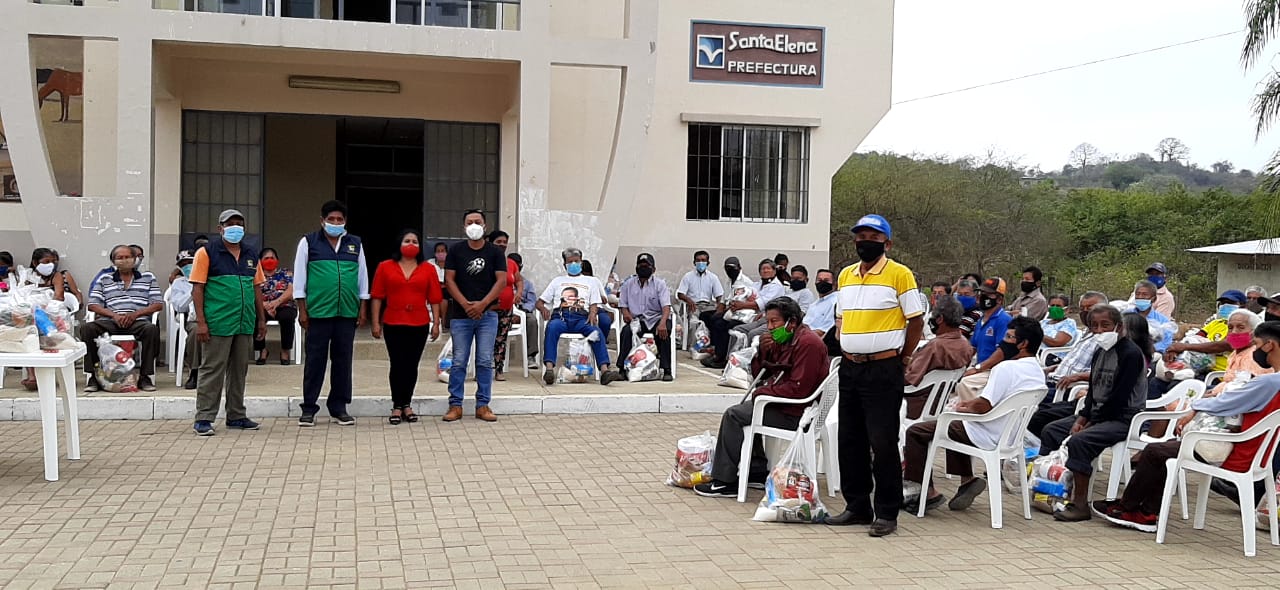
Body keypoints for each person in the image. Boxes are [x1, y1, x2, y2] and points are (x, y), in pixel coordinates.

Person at [1093, 321, 1280, 532]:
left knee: (1155, 451)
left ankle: (1129, 509)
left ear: (1269, 345)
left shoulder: (1269, 382)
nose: (1254, 349)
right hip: (1256, 453)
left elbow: (1227, 402)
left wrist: (1196, 407)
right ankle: (1144, 511)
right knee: (1164, 451)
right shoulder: (1272, 381)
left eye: (1256, 344)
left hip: (1236, 452)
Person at [828, 214, 925, 537]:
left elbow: (915, 320)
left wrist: (904, 356)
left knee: (882, 441)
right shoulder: (846, 275)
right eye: (860, 236)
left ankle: (886, 512)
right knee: (849, 439)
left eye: (873, 237)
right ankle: (857, 506)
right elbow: (840, 316)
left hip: (883, 367)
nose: (865, 242)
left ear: (887, 243)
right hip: (850, 366)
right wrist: (846, 339)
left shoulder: (899, 274)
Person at [902, 317, 1045, 513]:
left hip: (987, 432)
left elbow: (983, 406)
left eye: (1009, 338)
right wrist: (965, 407)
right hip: (1012, 435)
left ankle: (925, 492)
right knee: (952, 425)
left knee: (916, 432)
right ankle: (967, 481)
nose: (1002, 343)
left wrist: (964, 407)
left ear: (1023, 344)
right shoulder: (1037, 370)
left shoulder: (1005, 368)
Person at [693, 297, 829, 497]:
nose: (770, 327)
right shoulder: (785, 339)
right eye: (768, 322)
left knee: (734, 415)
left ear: (791, 322)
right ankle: (756, 471)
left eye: (775, 322)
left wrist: (762, 393)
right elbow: (760, 374)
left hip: (797, 411)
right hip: (782, 403)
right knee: (747, 411)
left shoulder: (808, 344)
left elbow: (799, 388)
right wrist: (763, 353)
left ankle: (724, 480)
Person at [1037, 303, 1147, 522]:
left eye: (1105, 325)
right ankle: (1048, 491)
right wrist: (1082, 417)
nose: (1099, 330)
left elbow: (1119, 397)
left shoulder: (1130, 354)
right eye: (1094, 326)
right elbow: (1093, 391)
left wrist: (1090, 423)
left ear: (1118, 327)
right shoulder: (1100, 352)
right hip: (1098, 414)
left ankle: (1080, 505)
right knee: (1051, 429)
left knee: (1080, 441)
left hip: (1124, 417)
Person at [189, 209, 267, 436]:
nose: (236, 227)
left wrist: (261, 320)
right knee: (212, 369)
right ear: (220, 228)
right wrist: (201, 322)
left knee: (239, 370)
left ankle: (236, 415)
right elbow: (197, 289)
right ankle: (204, 417)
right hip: (218, 321)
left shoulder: (251, 254)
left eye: (239, 223)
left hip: (244, 321)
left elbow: (256, 288)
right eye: (230, 223)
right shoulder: (206, 252)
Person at [294, 200, 370, 427]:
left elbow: (362, 277)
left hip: (346, 312)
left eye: (340, 219)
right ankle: (309, 408)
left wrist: (362, 308)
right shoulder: (308, 242)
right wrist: (302, 310)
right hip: (318, 313)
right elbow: (299, 278)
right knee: (315, 361)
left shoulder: (355, 244)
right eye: (331, 219)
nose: (335, 223)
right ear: (322, 221)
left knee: (343, 361)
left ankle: (339, 407)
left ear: (345, 222)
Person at [371, 229, 444, 425]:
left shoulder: (428, 269)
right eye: (407, 241)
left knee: (412, 365)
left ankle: (407, 404)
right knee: (397, 364)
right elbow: (377, 296)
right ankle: (397, 405)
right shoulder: (385, 267)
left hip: (419, 323)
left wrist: (436, 323)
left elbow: (435, 298)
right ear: (399, 244)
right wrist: (375, 322)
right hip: (393, 322)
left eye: (415, 241)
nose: (411, 244)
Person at [442, 210, 507, 421]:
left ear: (485, 226)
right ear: (464, 227)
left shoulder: (495, 252)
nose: (473, 225)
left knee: (484, 361)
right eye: (469, 222)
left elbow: (502, 281)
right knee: (459, 361)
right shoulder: (456, 250)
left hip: (487, 316)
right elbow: (449, 280)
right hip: (461, 316)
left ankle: (483, 405)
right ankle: (455, 405)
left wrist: (482, 304)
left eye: (477, 222)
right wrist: (465, 304)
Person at [81, 245, 164, 392]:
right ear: (113, 261)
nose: (124, 260)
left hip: (137, 321)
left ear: (134, 259)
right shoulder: (104, 279)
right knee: (88, 329)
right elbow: (93, 305)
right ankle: (93, 376)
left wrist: (135, 315)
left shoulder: (148, 278)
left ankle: (145, 376)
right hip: (111, 321)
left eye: (128, 257)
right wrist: (114, 316)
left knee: (151, 330)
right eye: (120, 258)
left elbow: (157, 304)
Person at [1027, 292, 1107, 438]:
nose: (1085, 312)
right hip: (1054, 377)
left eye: (1090, 308)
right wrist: (1054, 368)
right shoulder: (1087, 332)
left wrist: (1077, 376)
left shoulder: (1106, 339)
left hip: (1067, 387)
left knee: (1028, 407)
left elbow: (1105, 373)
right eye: (1082, 308)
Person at [536, 247, 620, 386]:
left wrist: (592, 314)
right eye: (570, 262)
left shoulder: (590, 281)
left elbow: (594, 303)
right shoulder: (557, 281)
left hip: (582, 318)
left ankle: (605, 371)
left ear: (581, 262)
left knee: (596, 332)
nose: (574, 264)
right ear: (565, 265)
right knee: (551, 328)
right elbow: (539, 302)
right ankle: (549, 369)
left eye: (576, 261)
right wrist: (543, 309)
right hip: (561, 317)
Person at [701, 259, 785, 369]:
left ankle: (725, 358)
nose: (765, 271)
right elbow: (745, 297)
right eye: (762, 269)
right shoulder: (756, 285)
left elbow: (761, 303)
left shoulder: (777, 287)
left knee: (730, 326)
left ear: (774, 271)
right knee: (718, 322)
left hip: (760, 316)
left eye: (768, 269)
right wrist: (737, 304)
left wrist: (742, 305)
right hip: (747, 313)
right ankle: (718, 354)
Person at [18, 248, 81, 391]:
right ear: (35, 263)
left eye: (52, 261)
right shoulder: (27, 276)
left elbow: (59, 296)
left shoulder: (56, 276)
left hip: (54, 313)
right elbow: (22, 295)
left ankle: (42, 375)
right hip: (32, 313)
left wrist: (43, 305)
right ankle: (32, 375)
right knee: (27, 330)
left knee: (36, 327)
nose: (50, 265)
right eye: (46, 262)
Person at [903, 296, 975, 419]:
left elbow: (910, 380)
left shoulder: (935, 347)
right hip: (939, 404)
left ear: (940, 319)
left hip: (915, 405)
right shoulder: (966, 346)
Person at [617, 253, 674, 382]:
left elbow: (666, 307)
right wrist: (626, 314)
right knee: (626, 332)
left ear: (653, 269)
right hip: (637, 320)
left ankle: (666, 369)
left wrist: (663, 323)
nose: (643, 268)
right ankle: (621, 369)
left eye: (646, 266)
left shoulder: (660, 284)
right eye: (641, 265)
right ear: (636, 268)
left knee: (664, 332)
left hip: (657, 319)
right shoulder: (628, 284)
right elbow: (623, 305)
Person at [956, 278, 1014, 401]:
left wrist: (978, 369)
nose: (982, 297)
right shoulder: (981, 320)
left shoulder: (1004, 320)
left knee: (965, 383)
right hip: (982, 368)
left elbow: (1002, 352)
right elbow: (973, 348)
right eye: (982, 293)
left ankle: (971, 411)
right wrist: (960, 366)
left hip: (995, 370)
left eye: (988, 294)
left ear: (999, 299)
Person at [1165, 289, 1244, 374]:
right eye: (1222, 303)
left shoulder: (1243, 326)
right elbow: (1196, 338)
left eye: (1230, 303)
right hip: (1202, 367)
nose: (1225, 306)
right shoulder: (1215, 323)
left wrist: (1185, 346)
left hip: (1221, 373)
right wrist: (1175, 349)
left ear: (1242, 306)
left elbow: (1224, 345)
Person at [485, 231, 523, 381]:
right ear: (490, 242)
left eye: (504, 242)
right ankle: (483, 371)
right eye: (498, 241)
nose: (502, 244)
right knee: (486, 340)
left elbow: (519, 280)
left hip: (506, 309)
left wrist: (518, 293)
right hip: (488, 309)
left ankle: (498, 370)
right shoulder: (485, 261)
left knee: (501, 340)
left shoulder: (511, 263)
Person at [254, 247, 297, 366]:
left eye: (272, 258)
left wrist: (276, 303)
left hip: (284, 304)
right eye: (266, 258)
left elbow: (291, 290)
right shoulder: (256, 275)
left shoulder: (286, 273)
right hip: (262, 306)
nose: (269, 260)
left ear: (277, 260)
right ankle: (262, 350)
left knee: (287, 316)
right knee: (255, 316)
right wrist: (264, 306)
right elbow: (252, 292)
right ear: (260, 261)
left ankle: (285, 351)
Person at [165, 250, 202, 390]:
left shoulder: (210, 278)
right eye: (183, 264)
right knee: (196, 331)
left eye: (190, 262)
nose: (187, 266)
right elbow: (180, 306)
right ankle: (195, 371)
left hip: (212, 315)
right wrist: (195, 291)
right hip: (190, 318)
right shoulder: (178, 283)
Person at [676, 250, 725, 325]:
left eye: (703, 260)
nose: (700, 263)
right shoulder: (688, 276)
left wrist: (719, 308)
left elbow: (719, 295)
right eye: (698, 260)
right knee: (694, 323)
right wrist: (689, 301)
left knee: (714, 322)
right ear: (694, 262)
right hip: (693, 306)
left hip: (708, 306)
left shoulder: (713, 277)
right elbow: (680, 294)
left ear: (708, 263)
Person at [1130, 280, 1175, 354]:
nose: (1140, 297)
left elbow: (1166, 342)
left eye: (1145, 294)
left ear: (1153, 299)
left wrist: (1152, 348)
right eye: (1138, 294)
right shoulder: (1126, 315)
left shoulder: (1162, 321)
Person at [802, 269, 838, 337]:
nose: (822, 283)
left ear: (834, 284)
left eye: (826, 280)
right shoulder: (813, 305)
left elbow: (824, 331)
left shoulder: (836, 301)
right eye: (819, 280)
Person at [429, 241, 450, 327]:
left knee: (444, 295)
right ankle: (437, 321)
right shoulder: (430, 263)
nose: (440, 253)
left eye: (442, 251)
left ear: (447, 252)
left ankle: (443, 322)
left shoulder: (451, 263)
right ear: (435, 253)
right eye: (438, 251)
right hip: (433, 288)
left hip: (448, 289)